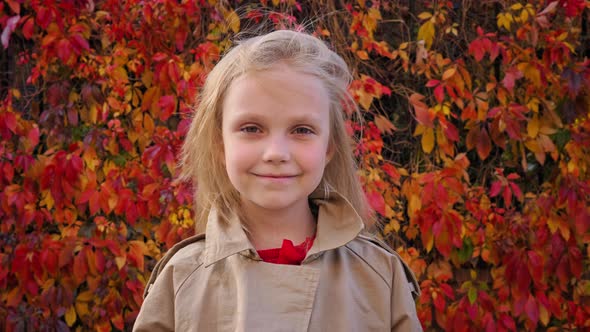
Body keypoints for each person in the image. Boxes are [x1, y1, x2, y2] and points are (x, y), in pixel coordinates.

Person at [133, 29, 421, 332]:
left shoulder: (378, 275)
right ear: (220, 144)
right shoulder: (182, 278)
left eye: (302, 130)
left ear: (329, 148)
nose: (276, 153)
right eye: (252, 128)